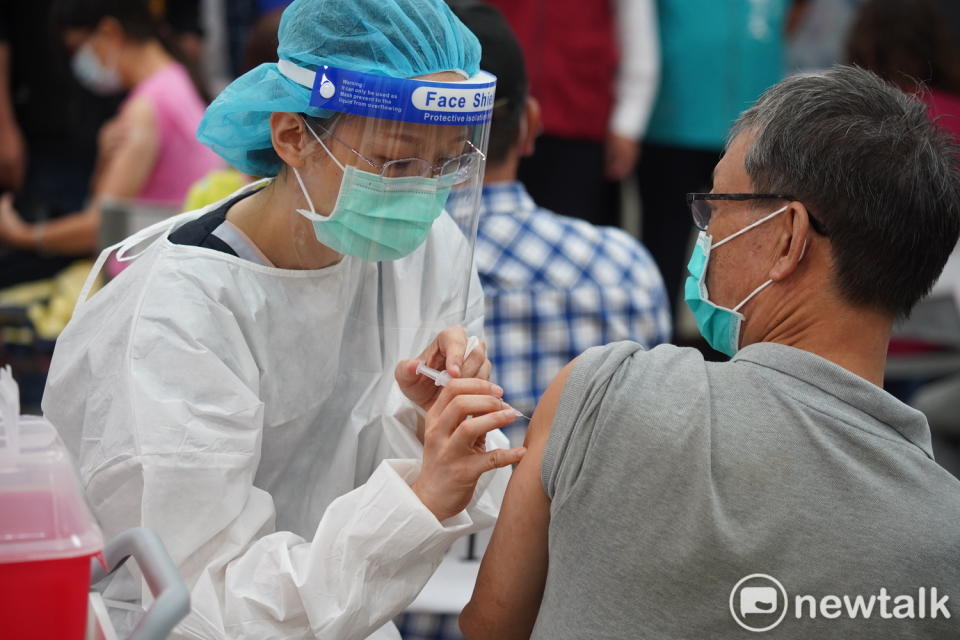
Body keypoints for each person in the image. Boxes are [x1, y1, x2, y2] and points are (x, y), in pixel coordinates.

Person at [41, 0, 524, 638]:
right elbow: (198, 603)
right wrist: (421, 497)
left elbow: (410, 496)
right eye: (396, 161)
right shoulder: (174, 314)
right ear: (293, 135)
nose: (422, 192)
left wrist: (429, 427)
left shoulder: (426, 252)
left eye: (447, 164)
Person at [462, 65, 960, 639]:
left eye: (717, 207)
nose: (706, 237)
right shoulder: (941, 533)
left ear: (788, 238)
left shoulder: (603, 392)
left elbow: (491, 625)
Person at [0, 0, 221, 258]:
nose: (80, 64)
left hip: (145, 275)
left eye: (78, 49)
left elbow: (100, 226)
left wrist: (21, 234)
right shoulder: (177, 78)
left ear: (108, 32)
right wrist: (106, 158)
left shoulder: (144, 109)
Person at [637, 0, 802, 324]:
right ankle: (653, 347)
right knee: (663, 250)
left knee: (754, 250)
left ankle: (745, 349)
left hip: (755, 130)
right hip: (672, 125)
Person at [485, 0, 659, 228]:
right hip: (496, 121)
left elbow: (636, 29)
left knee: (574, 232)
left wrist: (628, 122)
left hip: (580, 122)